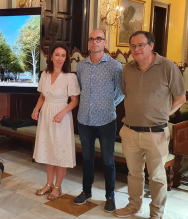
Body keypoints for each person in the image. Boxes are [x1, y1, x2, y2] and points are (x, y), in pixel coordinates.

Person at [115, 31, 186, 219]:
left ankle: (156, 213)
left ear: (151, 45)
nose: (136, 50)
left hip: (156, 133)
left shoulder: (168, 67)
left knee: (156, 177)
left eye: (141, 45)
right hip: (130, 131)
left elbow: (180, 98)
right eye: (132, 46)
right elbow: (126, 94)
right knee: (134, 174)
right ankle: (133, 206)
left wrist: (163, 114)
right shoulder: (127, 69)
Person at [73, 29, 124, 212]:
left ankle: (110, 196)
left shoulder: (115, 66)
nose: (95, 42)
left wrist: (108, 105)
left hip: (106, 121)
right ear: (88, 43)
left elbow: (121, 92)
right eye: (92, 39)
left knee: (108, 161)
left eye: (99, 39)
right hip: (84, 120)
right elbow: (80, 88)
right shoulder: (81, 66)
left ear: (105, 42)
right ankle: (86, 192)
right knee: (87, 159)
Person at [32, 42, 80, 200]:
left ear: (67, 59)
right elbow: (42, 96)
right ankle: (48, 184)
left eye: (63, 56)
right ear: (51, 57)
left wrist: (62, 113)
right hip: (46, 115)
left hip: (62, 117)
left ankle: (58, 187)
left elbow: (74, 101)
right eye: (57, 55)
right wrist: (36, 109)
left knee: (60, 152)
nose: (60, 58)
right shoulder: (44, 75)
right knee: (49, 150)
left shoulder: (70, 77)